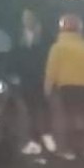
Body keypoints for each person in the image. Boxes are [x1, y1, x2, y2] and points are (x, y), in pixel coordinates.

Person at [45, 13, 84, 161]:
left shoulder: (57, 48)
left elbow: (51, 70)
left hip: (66, 89)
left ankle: (71, 150)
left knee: (69, 120)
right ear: (79, 29)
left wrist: (48, 87)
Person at [12, 9, 57, 157]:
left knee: (43, 107)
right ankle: (34, 140)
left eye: (29, 18)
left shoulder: (45, 35)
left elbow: (51, 56)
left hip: (41, 77)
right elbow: (15, 56)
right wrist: (15, 73)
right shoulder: (19, 37)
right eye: (24, 18)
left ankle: (48, 135)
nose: (26, 21)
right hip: (26, 79)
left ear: (35, 19)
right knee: (31, 110)